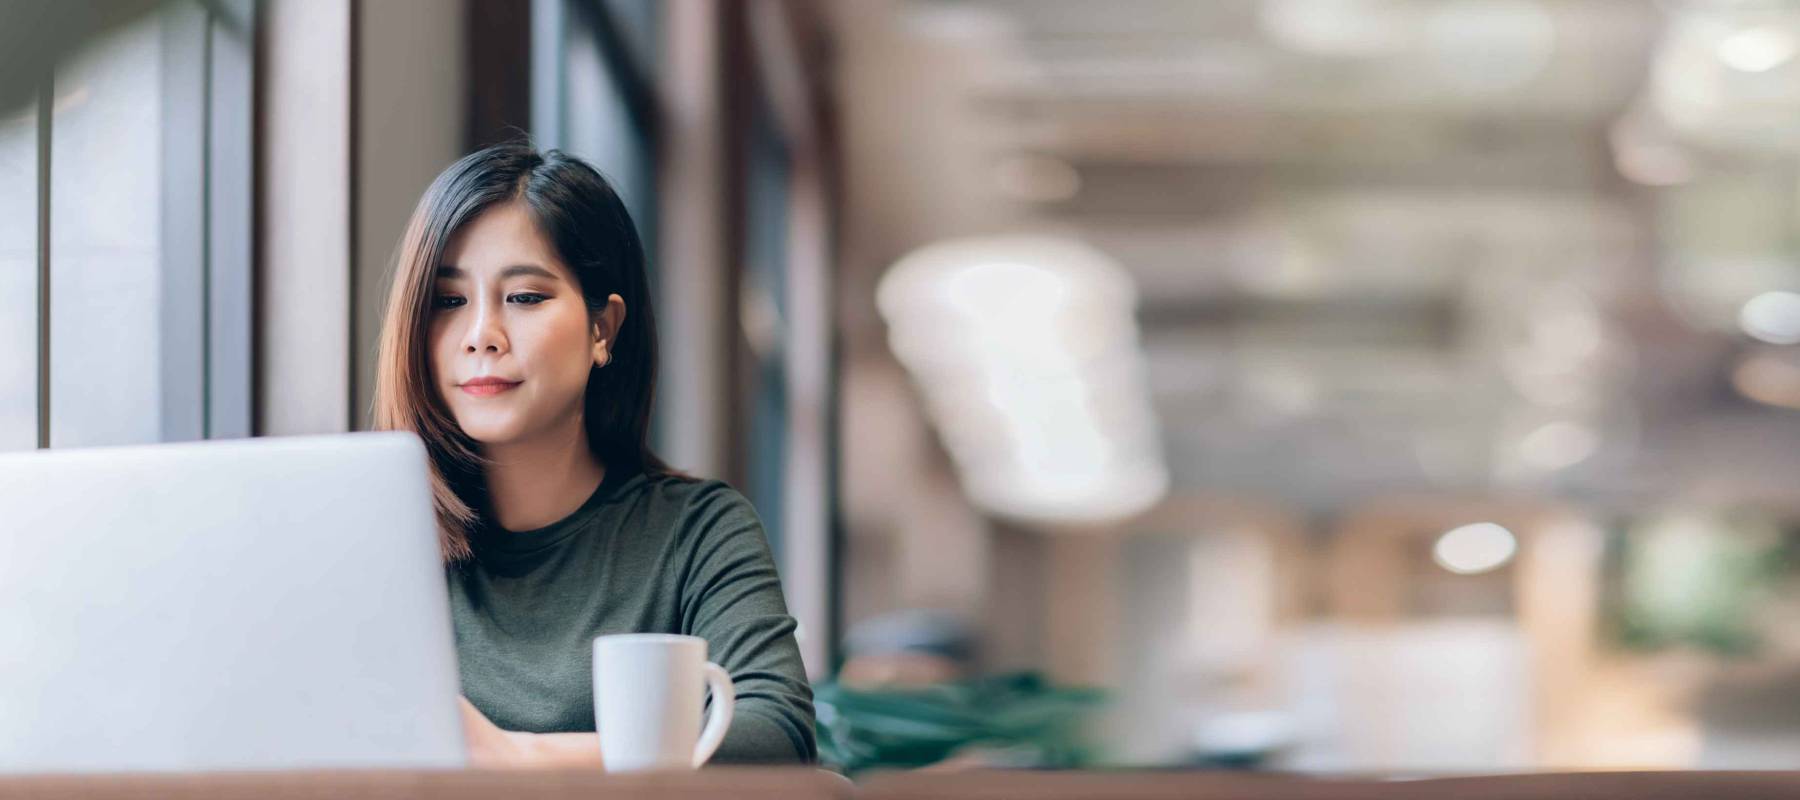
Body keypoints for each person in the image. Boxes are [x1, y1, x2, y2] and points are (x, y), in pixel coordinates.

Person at [371, 142, 815, 768]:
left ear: (601, 329)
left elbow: (777, 736)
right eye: (449, 302)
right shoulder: (377, 546)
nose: (480, 337)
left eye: (524, 298)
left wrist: (528, 759)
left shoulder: (697, 532)